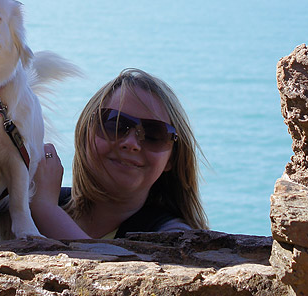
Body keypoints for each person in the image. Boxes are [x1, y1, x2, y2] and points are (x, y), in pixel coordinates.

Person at [30, 68, 208, 238]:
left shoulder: (175, 236)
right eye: (115, 125)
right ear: (86, 134)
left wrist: (46, 211)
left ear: (172, 159)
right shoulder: (25, 207)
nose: (131, 144)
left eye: (154, 134)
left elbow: (105, 268)